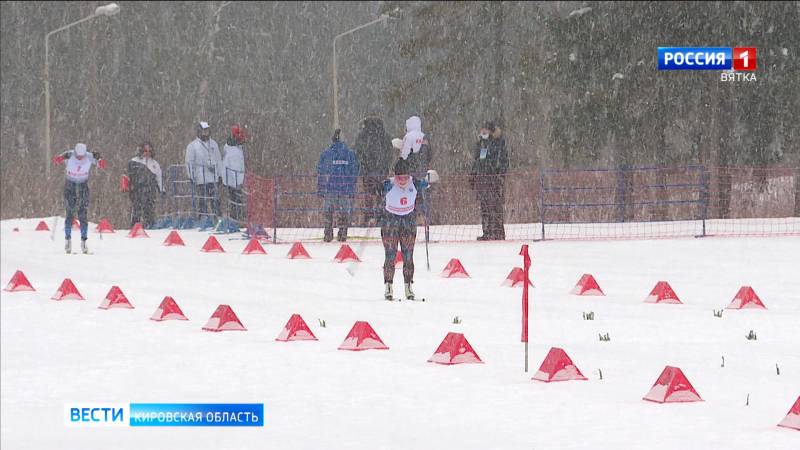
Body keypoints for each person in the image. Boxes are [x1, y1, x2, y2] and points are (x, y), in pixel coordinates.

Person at [381, 158, 428, 301]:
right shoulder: (389, 184)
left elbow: (426, 185)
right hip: (391, 220)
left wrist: (429, 180)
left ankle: (408, 285)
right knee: (390, 255)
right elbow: (375, 189)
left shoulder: (414, 183)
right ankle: (388, 285)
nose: (402, 180)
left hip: (408, 220)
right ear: (395, 176)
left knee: (408, 255)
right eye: (399, 177)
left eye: (405, 177)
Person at [52, 143, 105, 254]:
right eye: (78, 156)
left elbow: (98, 159)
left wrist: (100, 160)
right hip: (70, 184)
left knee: (83, 213)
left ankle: (84, 241)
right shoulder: (69, 154)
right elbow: (60, 158)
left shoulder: (89, 156)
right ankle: (68, 239)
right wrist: (58, 159)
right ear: (75, 152)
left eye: (82, 156)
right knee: (70, 213)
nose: (80, 158)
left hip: (83, 184)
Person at [317, 129, 359, 242]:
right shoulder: (350, 154)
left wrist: (320, 189)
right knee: (344, 213)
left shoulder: (326, 154)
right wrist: (352, 189)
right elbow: (354, 172)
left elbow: (321, 172)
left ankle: (328, 234)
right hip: (345, 189)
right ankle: (342, 234)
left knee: (328, 213)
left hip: (330, 189)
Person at [469, 121, 509, 240]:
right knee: (485, 207)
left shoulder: (498, 143)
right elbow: (477, 161)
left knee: (495, 206)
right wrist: (473, 175)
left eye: (485, 130)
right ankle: (487, 231)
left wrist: (498, 175)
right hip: (482, 181)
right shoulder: (480, 144)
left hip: (493, 180)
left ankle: (497, 232)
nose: (483, 132)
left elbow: (502, 162)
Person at [353, 116, 393, 225]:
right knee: (381, 194)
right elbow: (390, 153)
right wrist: (385, 167)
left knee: (368, 195)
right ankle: (380, 217)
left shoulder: (362, 136)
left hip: (368, 172)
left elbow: (357, 152)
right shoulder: (385, 136)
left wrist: (362, 168)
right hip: (381, 172)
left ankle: (369, 217)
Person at [185, 121, 222, 221]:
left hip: (213, 177)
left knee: (215, 199)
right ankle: (202, 218)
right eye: (203, 131)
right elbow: (189, 162)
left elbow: (218, 159)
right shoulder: (193, 146)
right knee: (203, 199)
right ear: (199, 132)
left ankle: (218, 218)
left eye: (207, 131)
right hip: (201, 178)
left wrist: (220, 174)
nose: (206, 133)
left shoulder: (214, 144)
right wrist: (191, 176)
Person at [127, 141, 163, 228]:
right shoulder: (133, 162)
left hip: (150, 189)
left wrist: (162, 189)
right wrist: (128, 186)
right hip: (137, 189)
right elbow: (127, 175)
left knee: (149, 208)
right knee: (136, 208)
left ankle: (149, 225)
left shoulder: (154, 164)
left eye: (149, 151)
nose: (147, 153)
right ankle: (135, 226)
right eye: (145, 151)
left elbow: (159, 176)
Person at [222, 125, 247, 226]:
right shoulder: (232, 151)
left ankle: (236, 218)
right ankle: (235, 219)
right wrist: (235, 182)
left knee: (237, 200)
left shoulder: (237, 149)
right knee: (235, 201)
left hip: (237, 180)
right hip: (233, 181)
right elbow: (230, 167)